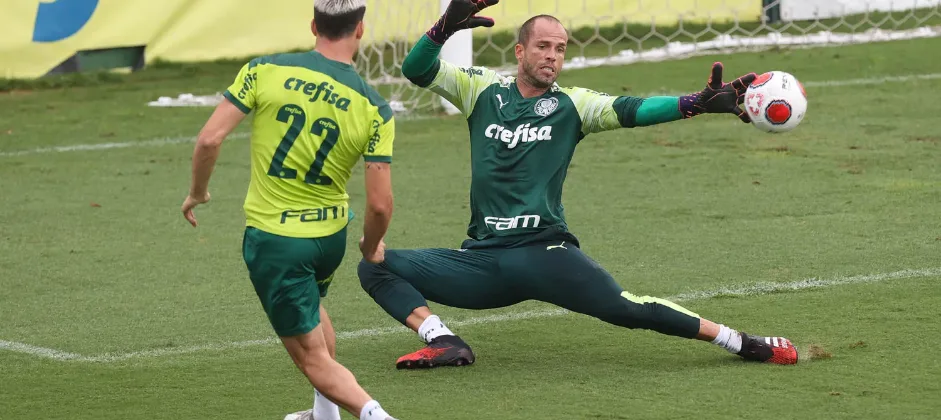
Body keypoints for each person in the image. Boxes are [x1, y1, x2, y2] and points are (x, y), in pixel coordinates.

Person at [358, 0, 798, 370]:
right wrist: (444, 27)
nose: (552, 56)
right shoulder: (481, 90)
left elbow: (633, 109)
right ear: (520, 51)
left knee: (627, 308)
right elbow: (416, 70)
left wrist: (693, 104)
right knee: (373, 263)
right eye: (544, 46)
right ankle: (445, 341)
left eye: (561, 49)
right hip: (484, 262)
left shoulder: (574, 104)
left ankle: (741, 343)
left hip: (545, 255)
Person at [180, 1, 398, 419]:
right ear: (361, 30)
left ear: (314, 25)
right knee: (313, 306)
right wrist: (370, 246)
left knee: (311, 357)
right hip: (329, 238)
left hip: (277, 241)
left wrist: (199, 193)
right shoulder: (375, 107)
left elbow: (209, 140)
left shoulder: (264, 70)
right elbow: (379, 203)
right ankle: (324, 414)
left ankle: (376, 415)